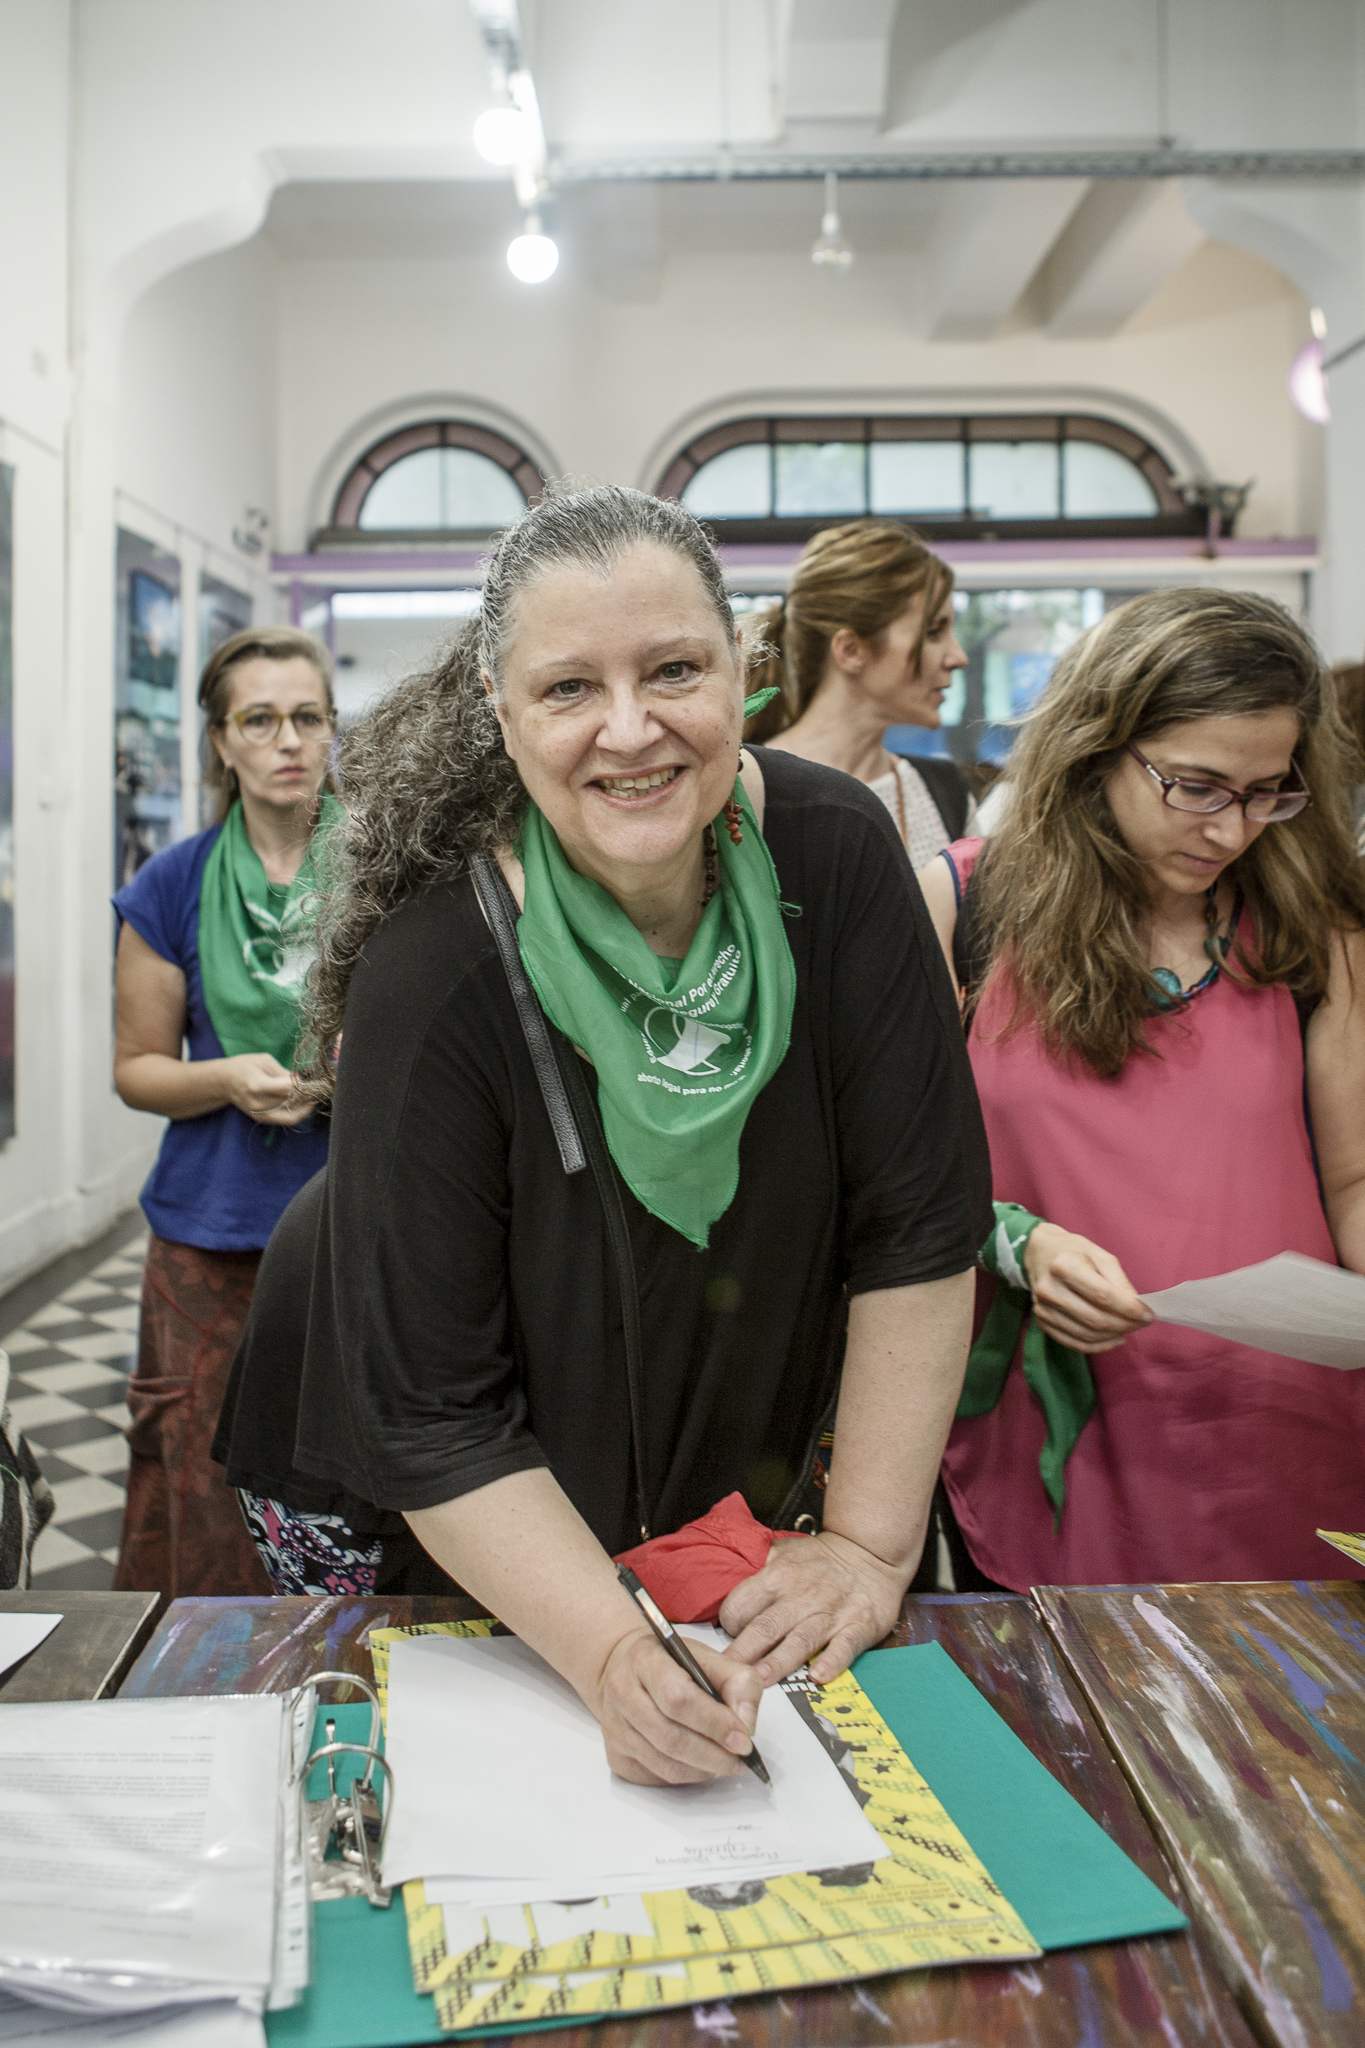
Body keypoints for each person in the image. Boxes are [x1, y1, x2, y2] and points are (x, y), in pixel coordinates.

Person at [215, 485, 992, 1786]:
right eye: (569, 688)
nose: (630, 732)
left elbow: (916, 1223)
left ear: (744, 667)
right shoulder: (441, 967)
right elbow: (429, 1412)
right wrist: (611, 1657)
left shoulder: (837, 860)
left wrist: (863, 1547)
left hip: (677, 1414)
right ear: (496, 702)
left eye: (674, 670)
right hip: (394, 1463)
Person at [917, 587, 1365, 1592]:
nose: (1233, 829)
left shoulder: (1312, 924)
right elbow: (877, 1176)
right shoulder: (965, 904)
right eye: (1196, 785)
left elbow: (1353, 1176)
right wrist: (1016, 1240)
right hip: (1055, 1428)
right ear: (1097, 747)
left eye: (1268, 791)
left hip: (1283, 1426)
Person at [112, 627, 341, 1601]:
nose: (288, 739)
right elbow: (137, 1069)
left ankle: (356, 1674)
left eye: (308, 716)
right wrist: (229, 1078)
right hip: (211, 1235)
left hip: (353, 1224)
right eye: (261, 719)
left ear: (333, 730)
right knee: (201, 1477)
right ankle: (202, 1684)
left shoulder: (388, 871)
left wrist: (344, 1079)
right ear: (220, 741)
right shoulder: (173, 883)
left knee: (350, 1469)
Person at [743, 522, 974, 864]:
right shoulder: (748, 788)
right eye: (934, 632)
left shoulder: (947, 795)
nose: (959, 657)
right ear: (850, 650)